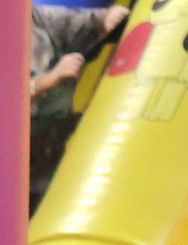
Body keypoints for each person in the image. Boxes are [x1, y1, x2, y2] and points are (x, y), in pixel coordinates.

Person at [31, 4, 129, 211]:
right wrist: (48, 80)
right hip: (13, 157)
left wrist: (105, 18)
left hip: (50, 140)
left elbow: (73, 22)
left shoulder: (33, 17)